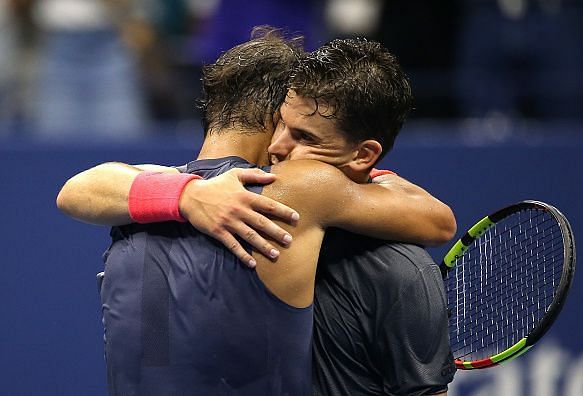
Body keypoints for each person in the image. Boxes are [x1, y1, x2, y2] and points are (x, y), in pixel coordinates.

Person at [57, 29, 456, 395]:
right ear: (273, 118)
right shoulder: (299, 190)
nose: (283, 146)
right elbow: (439, 222)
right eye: (286, 126)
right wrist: (356, 174)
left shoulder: (132, 203)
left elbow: (73, 192)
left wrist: (185, 194)